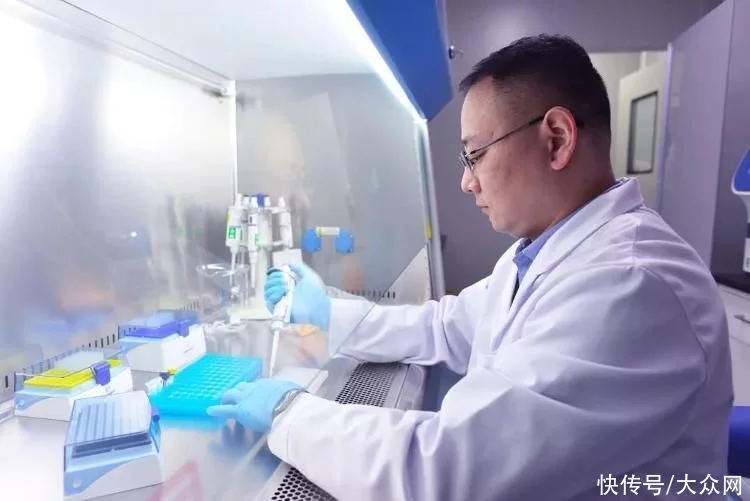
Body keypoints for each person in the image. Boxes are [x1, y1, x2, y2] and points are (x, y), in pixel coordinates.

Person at [207, 34, 733, 500]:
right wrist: (330, 314)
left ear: (556, 138)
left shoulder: (630, 284)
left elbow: (445, 473)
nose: (467, 182)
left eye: (474, 155)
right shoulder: (542, 252)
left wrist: (290, 414)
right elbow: (446, 326)